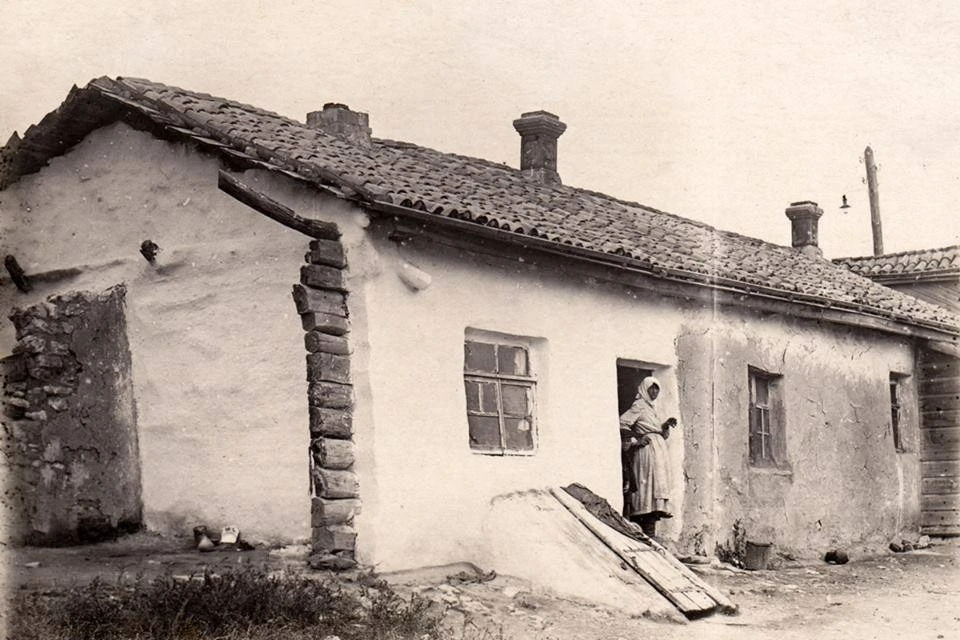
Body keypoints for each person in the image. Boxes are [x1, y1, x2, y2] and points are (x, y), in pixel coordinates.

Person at [620, 376, 676, 537]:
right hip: (646, 452)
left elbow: (661, 434)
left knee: (655, 485)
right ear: (645, 389)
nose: (654, 392)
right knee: (647, 486)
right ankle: (643, 524)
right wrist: (636, 439)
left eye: (657, 389)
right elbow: (622, 423)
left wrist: (664, 426)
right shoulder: (639, 405)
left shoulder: (651, 408)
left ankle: (650, 529)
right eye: (651, 388)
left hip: (658, 451)